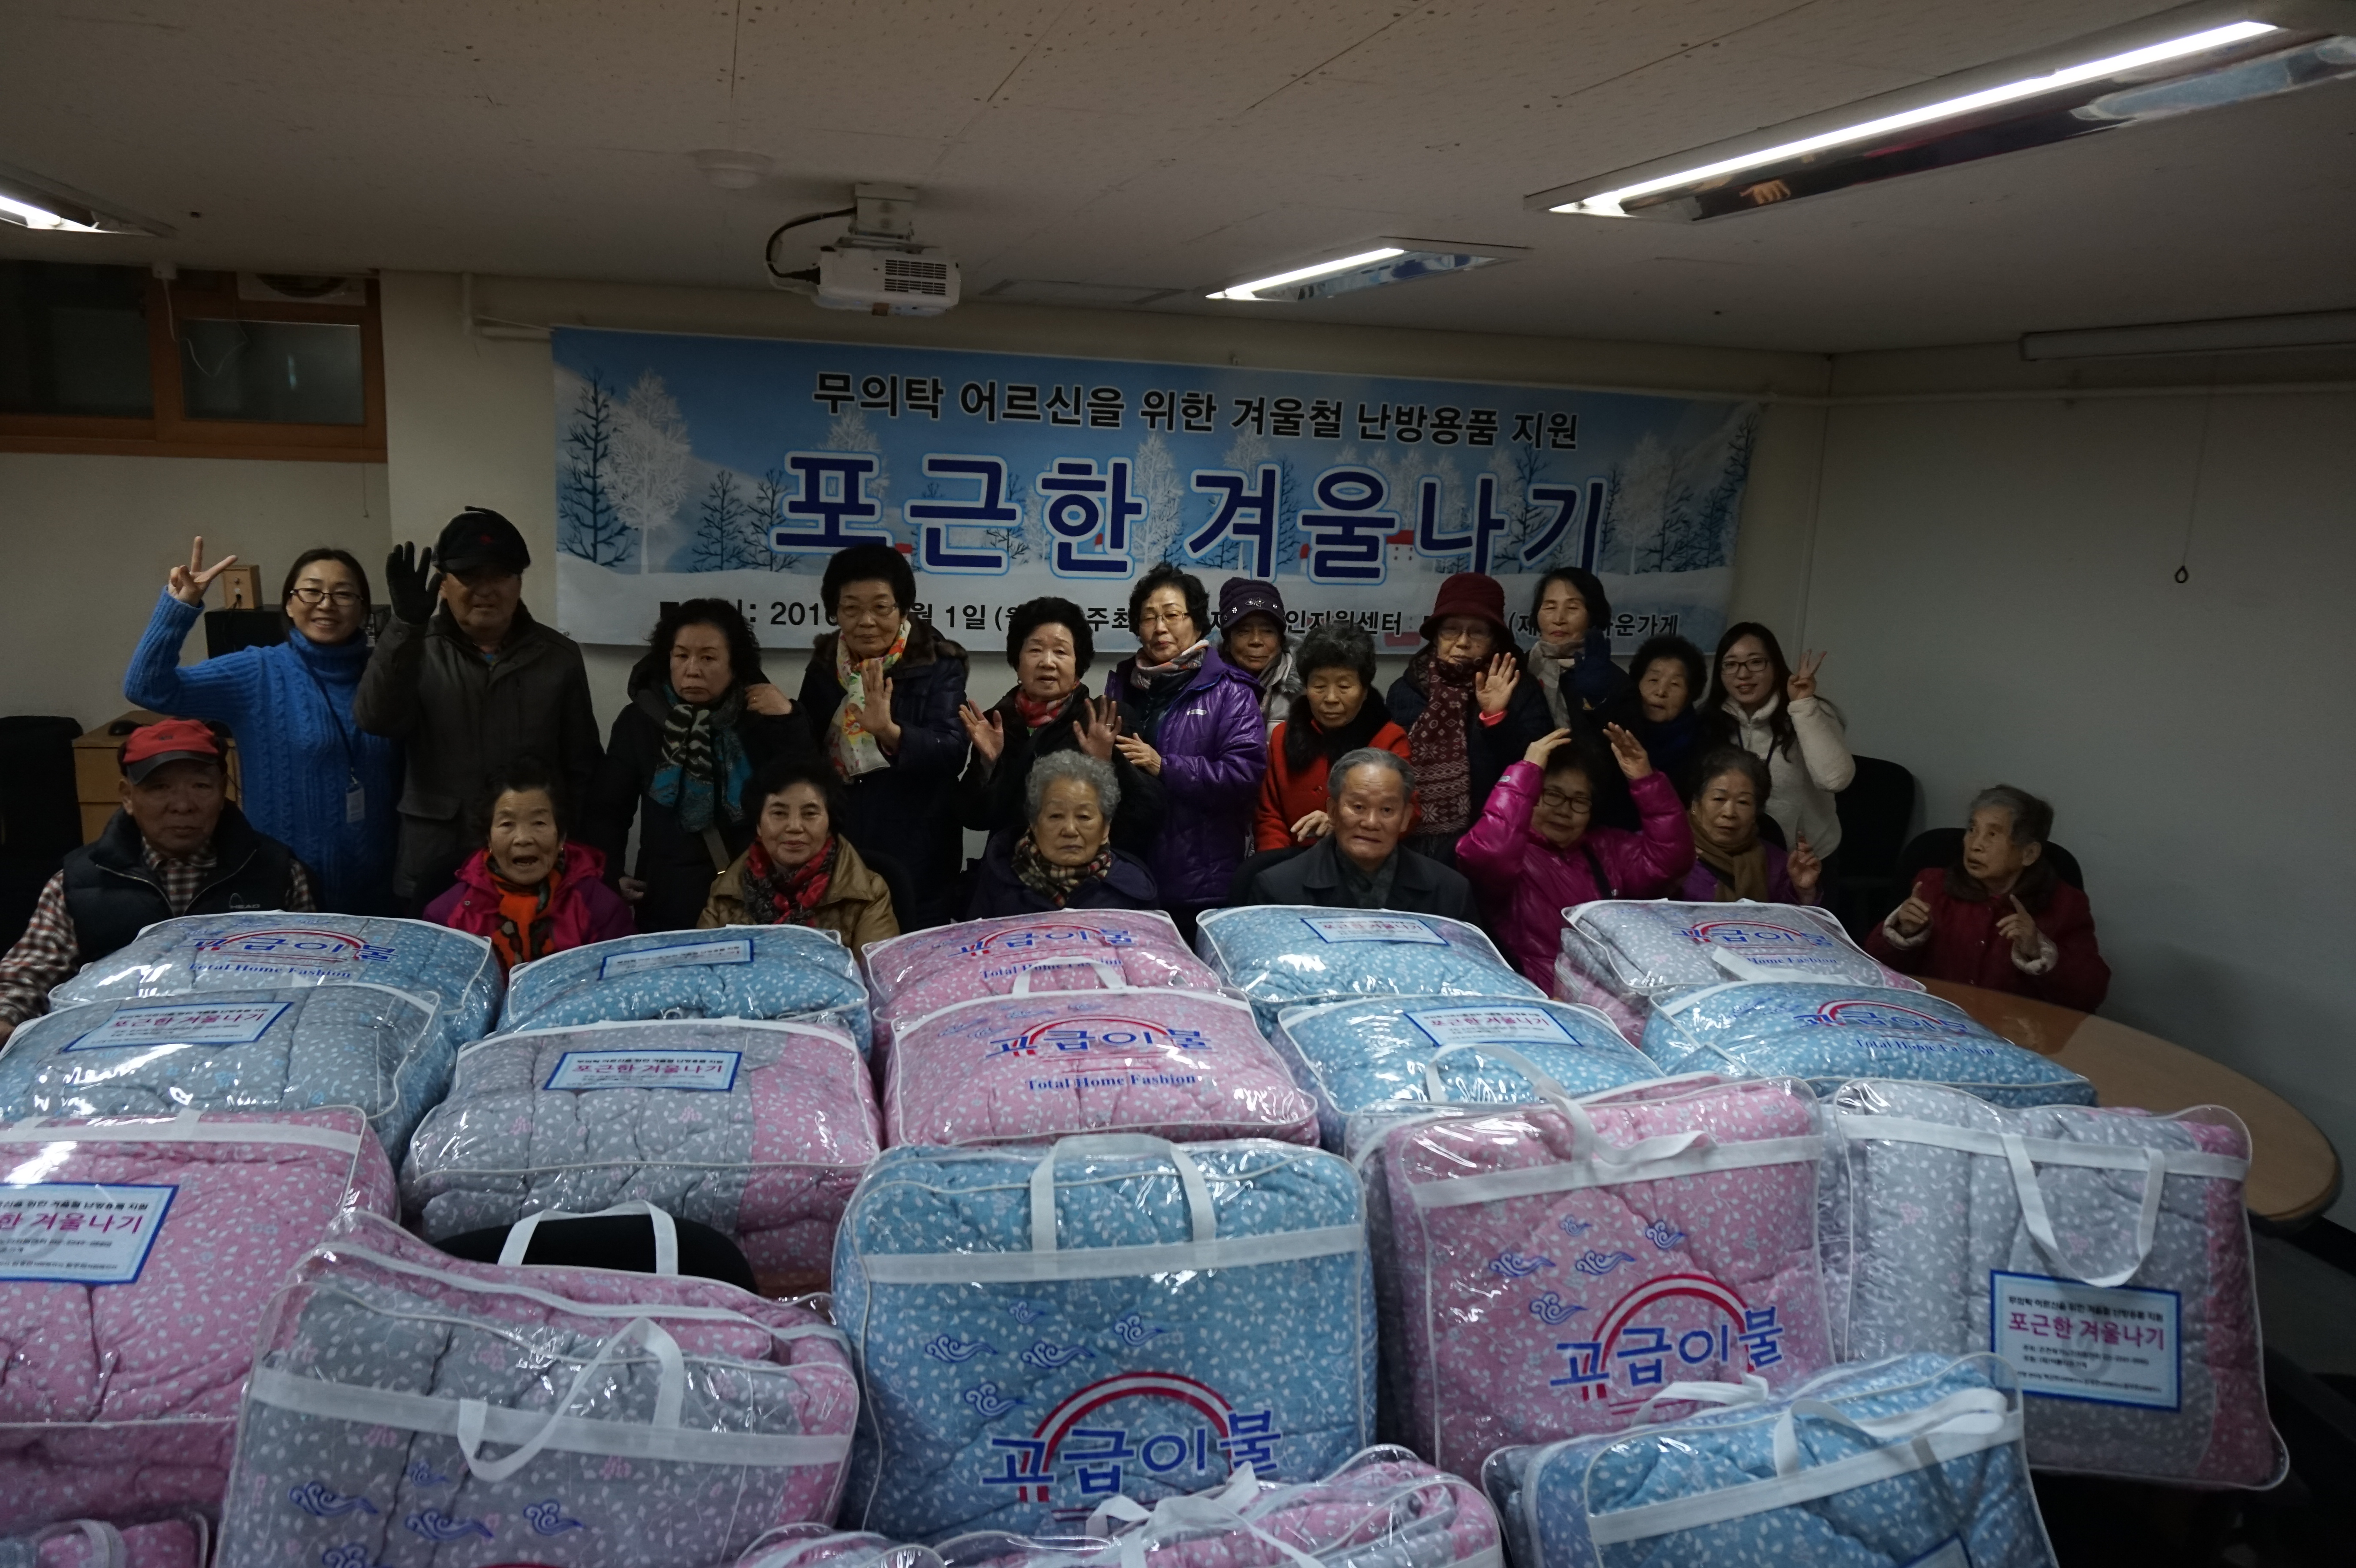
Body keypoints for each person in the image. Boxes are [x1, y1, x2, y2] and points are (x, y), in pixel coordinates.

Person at [122, 537, 403, 913]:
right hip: (283, 887)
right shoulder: (257, 672)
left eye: (344, 594)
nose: (326, 604)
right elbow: (147, 688)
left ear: (364, 609)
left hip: (380, 887)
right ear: (289, 603)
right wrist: (179, 608)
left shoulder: (386, 677)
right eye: (311, 591)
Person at [0, 720, 314, 1040]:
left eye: (201, 786)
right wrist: (5, 1016)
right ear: (128, 796)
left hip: (245, 1046)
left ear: (223, 792)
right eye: (160, 788)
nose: (182, 806)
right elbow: (28, 974)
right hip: (113, 1049)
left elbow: (315, 978)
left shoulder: (277, 872)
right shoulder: (78, 882)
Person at [355, 507, 602, 914]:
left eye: (500, 575)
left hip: (533, 863)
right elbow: (375, 718)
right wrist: (405, 626)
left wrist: (581, 855)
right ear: (443, 583)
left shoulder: (559, 658)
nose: (486, 590)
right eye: (470, 575)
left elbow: (583, 768)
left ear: (519, 582)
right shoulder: (415, 648)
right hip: (436, 860)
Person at [585, 599, 810, 934]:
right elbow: (607, 809)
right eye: (681, 656)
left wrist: (789, 720)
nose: (692, 669)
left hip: (754, 897)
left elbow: (807, 795)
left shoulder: (762, 717)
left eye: (708, 658)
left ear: (735, 664)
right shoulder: (641, 721)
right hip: (667, 899)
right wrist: (610, 874)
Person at [796, 542, 968, 917]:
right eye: (851, 609)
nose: (866, 621)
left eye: (880, 607)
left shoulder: (939, 663)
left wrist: (891, 733)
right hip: (840, 839)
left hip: (918, 844)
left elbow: (952, 751)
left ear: (903, 609)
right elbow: (807, 755)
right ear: (835, 612)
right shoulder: (825, 666)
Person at [1457, 724, 1694, 989]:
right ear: (1531, 795)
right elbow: (1489, 853)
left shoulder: (1604, 849)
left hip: (1615, 994)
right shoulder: (1511, 854)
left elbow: (1671, 860)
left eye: (1579, 801)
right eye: (1553, 795)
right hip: (1540, 997)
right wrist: (1528, 768)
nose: (1564, 810)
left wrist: (1646, 781)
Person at [1110, 564, 1264, 935]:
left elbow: (1244, 775)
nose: (1160, 627)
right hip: (1127, 877)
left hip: (1200, 884)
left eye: (1172, 615)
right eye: (1149, 617)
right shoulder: (1123, 685)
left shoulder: (1231, 691)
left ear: (1197, 623)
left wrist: (1165, 767)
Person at [1868, 784, 2110, 1011]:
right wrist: (1903, 934)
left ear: (2028, 854)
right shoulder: (1932, 886)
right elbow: (1874, 969)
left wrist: (2039, 952)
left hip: (2014, 1031)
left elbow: (2090, 994)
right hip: (1938, 1020)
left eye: (1992, 835)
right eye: (1973, 830)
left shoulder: (2065, 904)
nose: (1975, 845)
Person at [956, 596, 1162, 856]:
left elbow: (1147, 818)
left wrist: (1107, 765)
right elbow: (974, 818)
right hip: (1013, 870)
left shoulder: (1105, 719)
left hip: (1089, 871)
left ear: (1078, 664)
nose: (1047, 662)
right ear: (1018, 661)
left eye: (1061, 652)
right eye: (1035, 650)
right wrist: (987, 764)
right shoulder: (997, 723)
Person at [1386, 572, 1552, 859]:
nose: (1462, 642)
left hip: (1488, 841)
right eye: (1451, 630)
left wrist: (1497, 718)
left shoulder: (1518, 688)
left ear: (1494, 640)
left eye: (1477, 632)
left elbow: (1538, 769)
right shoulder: (1406, 689)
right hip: (1405, 839)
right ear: (1436, 637)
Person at [424, 762, 632, 974]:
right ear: (489, 838)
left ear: (561, 838)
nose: (523, 839)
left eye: (539, 823)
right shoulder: (445, 916)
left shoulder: (603, 911)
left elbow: (623, 985)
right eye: (507, 824)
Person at [1240, 750, 1474, 918]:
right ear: (1333, 811)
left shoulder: (1450, 892)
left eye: (1387, 810)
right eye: (1359, 807)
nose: (1371, 823)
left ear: (1405, 818)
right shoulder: (1278, 889)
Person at [697, 756, 897, 948]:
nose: (794, 827)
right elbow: (701, 967)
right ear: (758, 825)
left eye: (810, 814)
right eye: (779, 813)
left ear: (830, 824)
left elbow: (876, 970)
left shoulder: (869, 893)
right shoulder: (725, 893)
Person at [1704, 622, 1852, 875]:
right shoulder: (1710, 721)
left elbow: (1835, 780)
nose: (1743, 674)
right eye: (1731, 664)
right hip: (1733, 859)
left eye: (1756, 662)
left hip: (1806, 861)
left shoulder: (1808, 712)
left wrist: (1803, 706)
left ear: (1775, 666)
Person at [1255, 622, 1412, 850]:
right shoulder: (1282, 737)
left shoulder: (1389, 740)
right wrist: (1280, 865)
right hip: (1289, 862)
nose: (1331, 698)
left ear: (1364, 690)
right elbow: (1269, 816)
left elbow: (1408, 815)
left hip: (1362, 861)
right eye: (1319, 686)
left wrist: (1342, 824)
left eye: (1344, 686)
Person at [969, 752, 1158, 917]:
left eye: (1084, 817)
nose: (1070, 830)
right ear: (1034, 824)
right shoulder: (998, 879)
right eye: (1056, 816)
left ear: (1106, 827)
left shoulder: (1135, 885)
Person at [1677, 747, 1823, 906]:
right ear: (1696, 804)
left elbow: (1794, 919)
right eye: (1719, 799)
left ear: (1756, 813)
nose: (1729, 813)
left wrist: (1804, 892)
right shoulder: (1666, 853)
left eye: (1743, 802)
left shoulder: (1778, 864)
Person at [1523, 568, 1626, 732]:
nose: (1559, 619)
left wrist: (1597, 703)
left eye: (1572, 608)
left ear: (1592, 615)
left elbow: (1624, 742)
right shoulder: (1517, 670)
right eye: (1550, 608)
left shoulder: (1615, 681)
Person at [1605, 635, 1710, 784]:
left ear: (1690, 696)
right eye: (1653, 680)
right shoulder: (1616, 730)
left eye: (1675, 684)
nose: (1661, 692)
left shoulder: (1705, 748)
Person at [1217, 578, 1299, 736]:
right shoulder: (1206, 688)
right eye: (1244, 631)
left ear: (1281, 640)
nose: (1256, 641)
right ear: (1228, 642)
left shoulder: (1306, 689)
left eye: (1267, 631)